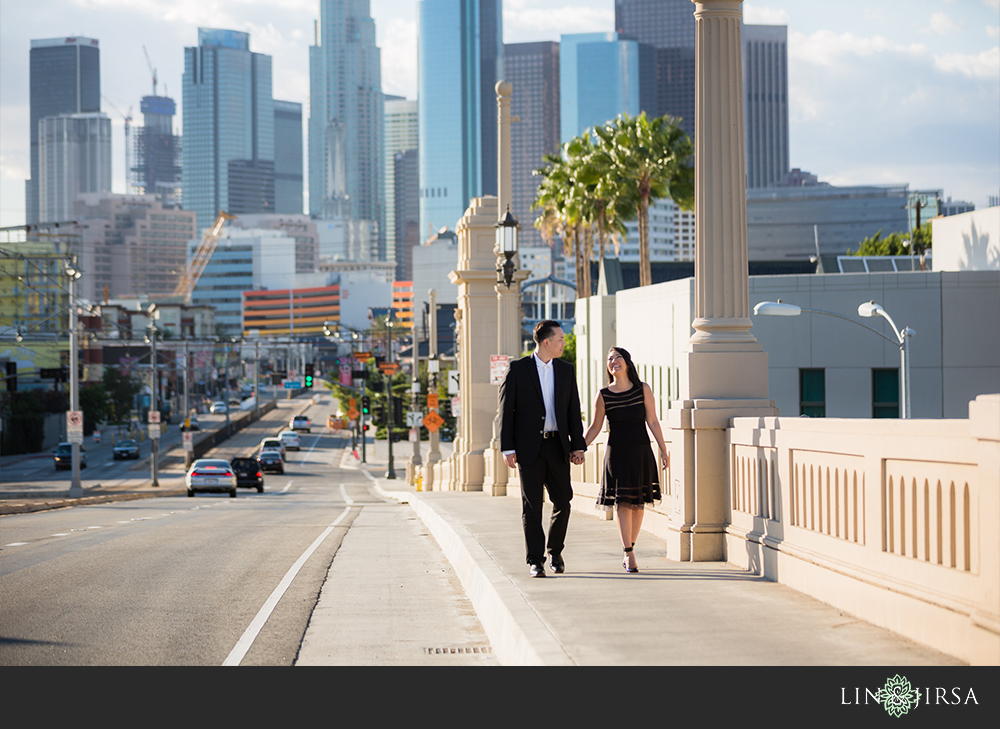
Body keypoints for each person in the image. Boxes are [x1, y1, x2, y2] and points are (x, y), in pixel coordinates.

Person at [500, 320, 587, 578]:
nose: (563, 342)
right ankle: (535, 560)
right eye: (560, 339)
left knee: (564, 501)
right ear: (546, 342)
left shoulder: (566, 370)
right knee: (532, 506)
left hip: (557, 446)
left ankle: (555, 550)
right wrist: (507, 448)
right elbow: (506, 410)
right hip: (528, 449)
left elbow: (573, 411)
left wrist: (578, 445)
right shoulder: (518, 369)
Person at [583, 347, 669, 573]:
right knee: (622, 502)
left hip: (641, 450)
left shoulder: (643, 389)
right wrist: (578, 448)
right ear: (608, 367)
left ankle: (630, 547)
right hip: (617, 453)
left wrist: (663, 449)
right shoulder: (603, 395)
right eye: (610, 359)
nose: (614, 361)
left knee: (639, 503)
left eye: (618, 357)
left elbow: (653, 421)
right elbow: (595, 427)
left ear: (628, 363)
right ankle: (628, 552)